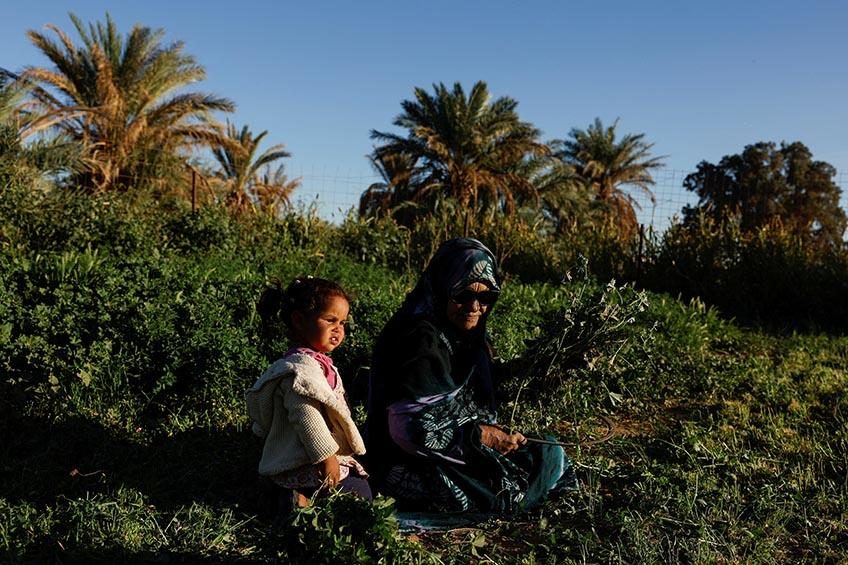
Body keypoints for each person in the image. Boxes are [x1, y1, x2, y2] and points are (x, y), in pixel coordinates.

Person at [365, 238, 575, 513]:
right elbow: (410, 431)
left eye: (485, 297)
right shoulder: (418, 339)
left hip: (458, 446)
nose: (474, 307)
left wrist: (530, 370)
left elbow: (473, 391)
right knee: (498, 494)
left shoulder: (468, 337)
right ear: (442, 291)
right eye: (462, 295)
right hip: (405, 456)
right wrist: (482, 437)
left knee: (548, 451)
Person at [246, 277, 371, 502]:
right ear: (299, 321)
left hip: (311, 457)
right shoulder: (300, 370)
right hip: (306, 459)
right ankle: (299, 499)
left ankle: (299, 499)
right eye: (330, 320)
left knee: (359, 488)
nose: (338, 329)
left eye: (342, 322)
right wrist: (327, 457)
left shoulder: (319, 363)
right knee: (360, 493)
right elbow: (306, 416)